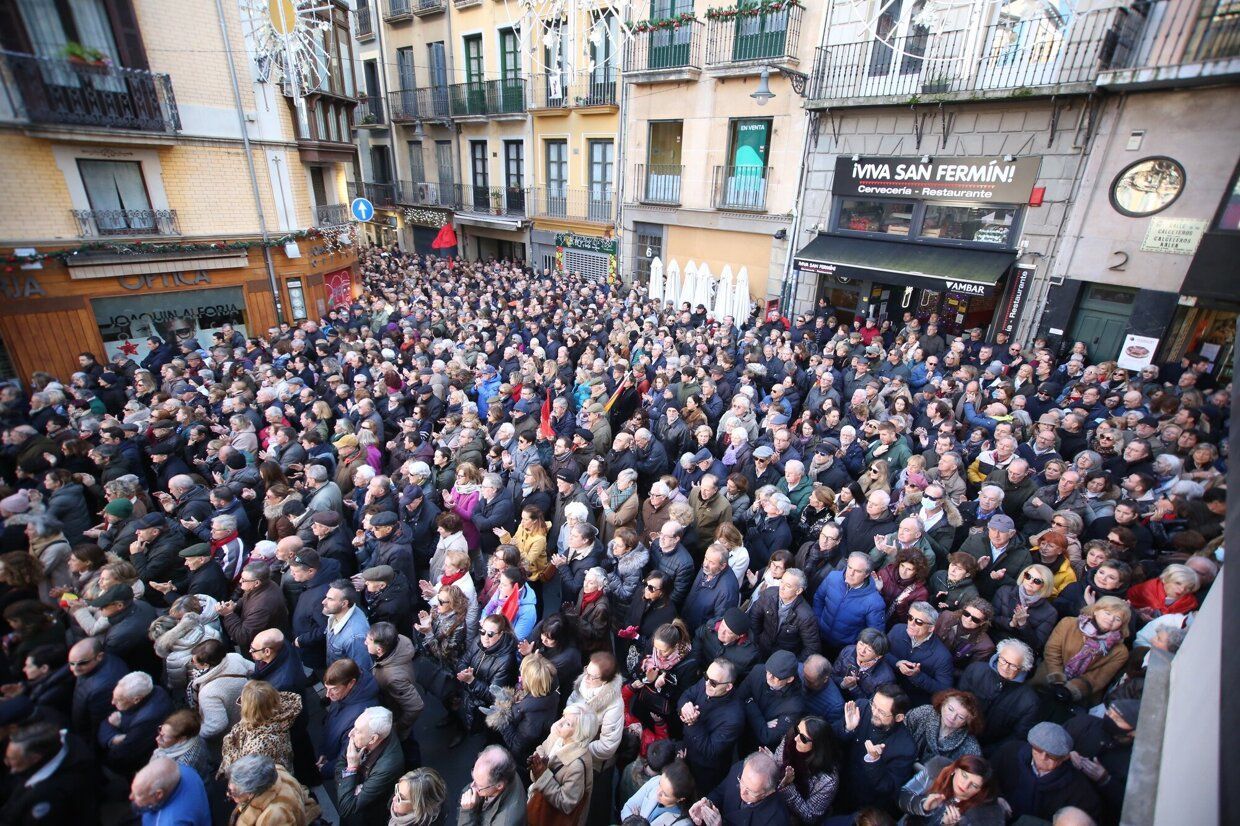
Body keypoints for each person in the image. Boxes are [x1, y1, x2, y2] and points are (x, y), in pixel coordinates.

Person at [991, 722, 1102, 822]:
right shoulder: (1009, 753)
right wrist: (996, 797)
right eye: (1038, 749)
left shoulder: (1080, 792)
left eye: (1052, 755)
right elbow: (987, 777)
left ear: (1065, 757)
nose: (1043, 757)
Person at [833, 683, 917, 814]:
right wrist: (847, 729)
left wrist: (874, 761)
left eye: (882, 712)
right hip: (840, 782)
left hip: (863, 802)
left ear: (899, 717)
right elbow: (831, 737)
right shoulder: (862, 707)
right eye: (874, 704)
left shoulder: (905, 748)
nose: (874, 712)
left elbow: (889, 788)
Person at [1, 721, 100, 824]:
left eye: (12, 759)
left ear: (35, 758)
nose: (6, 762)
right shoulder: (59, 750)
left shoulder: (49, 794)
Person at [958, 639, 1041, 753]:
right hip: (958, 732)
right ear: (997, 656)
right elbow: (958, 700)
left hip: (987, 750)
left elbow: (1017, 737)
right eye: (1003, 660)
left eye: (1013, 666)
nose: (1005, 667)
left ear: (1023, 668)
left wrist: (986, 752)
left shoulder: (1029, 701)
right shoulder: (975, 670)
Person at [526, 703, 598, 825]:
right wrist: (537, 760)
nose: (560, 723)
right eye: (563, 716)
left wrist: (543, 776)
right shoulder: (558, 736)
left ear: (579, 733)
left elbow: (566, 803)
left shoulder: (576, 765)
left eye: (568, 723)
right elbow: (542, 748)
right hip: (537, 803)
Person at [367, 622, 425, 769]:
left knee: (408, 747)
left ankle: (415, 770)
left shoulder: (393, 678)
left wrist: (399, 726)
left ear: (379, 649)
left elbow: (415, 706)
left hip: (397, 716)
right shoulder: (399, 641)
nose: (365, 642)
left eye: (368, 640)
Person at [337, 706, 405, 826]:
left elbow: (346, 807)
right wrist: (349, 786)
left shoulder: (388, 766)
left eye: (358, 731)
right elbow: (339, 765)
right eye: (354, 727)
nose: (350, 734)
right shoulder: (364, 736)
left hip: (368, 815)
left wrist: (351, 768)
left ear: (373, 739)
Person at [896, 754, 1006, 826]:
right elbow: (902, 796)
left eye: (974, 785)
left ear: (980, 790)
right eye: (964, 776)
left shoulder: (984, 817)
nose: (965, 786)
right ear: (955, 769)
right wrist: (923, 805)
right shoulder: (936, 770)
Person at [220, 679, 302, 774]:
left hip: (273, 779)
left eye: (242, 702)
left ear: (250, 711)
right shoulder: (279, 712)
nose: (240, 705)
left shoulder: (260, 745)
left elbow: (248, 773)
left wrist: (229, 747)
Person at [688, 750, 791, 826]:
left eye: (750, 791)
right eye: (741, 781)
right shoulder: (739, 769)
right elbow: (720, 793)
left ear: (768, 793)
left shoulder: (777, 820)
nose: (742, 791)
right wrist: (707, 805)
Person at [98, 671, 173, 773]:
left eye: (119, 700)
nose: (113, 702)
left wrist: (112, 737)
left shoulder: (146, 720)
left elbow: (122, 754)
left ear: (136, 700)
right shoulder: (156, 691)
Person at [813, 552, 887, 652]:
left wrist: (852, 648)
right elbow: (818, 598)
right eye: (850, 567)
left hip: (843, 649)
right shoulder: (832, 577)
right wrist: (818, 621)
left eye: (857, 571)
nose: (851, 573)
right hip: (819, 636)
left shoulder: (875, 602)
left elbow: (874, 635)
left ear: (866, 574)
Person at [774, 714, 839, 824]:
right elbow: (777, 760)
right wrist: (771, 763)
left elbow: (810, 816)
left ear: (818, 745)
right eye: (797, 730)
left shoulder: (827, 780)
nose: (796, 738)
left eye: (803, 738)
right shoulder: (790, 739)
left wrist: (787, 787)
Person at [226, 754, 321, 825]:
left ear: (250, 791)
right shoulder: (275, 771)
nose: (227, 794)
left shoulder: (274, 816)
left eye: (231, 792)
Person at [750, 566, 820, 660]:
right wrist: (757, 639)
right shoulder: (769, 594)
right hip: (762, 647)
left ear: (798, 591)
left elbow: (812, 648)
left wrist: (791, 663)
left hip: (782, 658)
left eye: (788, 586)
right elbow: (754, 615)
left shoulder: (806, 616)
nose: (781, 587)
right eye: (782, 581)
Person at [903, 689, 984, 762]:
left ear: (967, 722)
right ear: (942, 703)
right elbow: (901, 730)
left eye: (960, 717)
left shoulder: (971, 748)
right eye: (950, 709)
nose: (952, 717)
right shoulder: (924, 712)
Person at [130, 756, 212, 826]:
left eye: (139, 795)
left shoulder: (170, 822)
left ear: (158, 794)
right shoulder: (185, 771)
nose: (131, 797)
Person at [458, 745, 526, 826]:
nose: (472, 786)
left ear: (499, 786)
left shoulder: (504, 822)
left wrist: (467, 812)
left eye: (479, 786)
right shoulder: (507, 769)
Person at [620, 758, 697, 826]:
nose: (658, 792)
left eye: (665, 794)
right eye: (660, 784)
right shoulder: (656, 781)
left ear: (680, 799)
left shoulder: (683, 823)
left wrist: (634, 821)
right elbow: (627, 807)